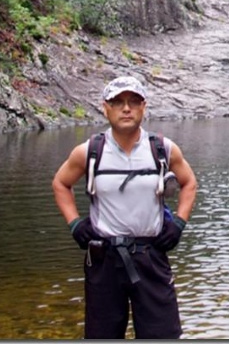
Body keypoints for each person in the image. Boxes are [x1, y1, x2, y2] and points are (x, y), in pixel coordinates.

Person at [53, 75, 198, 339]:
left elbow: (189, 183)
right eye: (118, 102)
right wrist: (75, 224)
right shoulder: (89, 152)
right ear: (105, 107)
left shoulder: (163, 149)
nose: (126, 108)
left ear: (144, 107)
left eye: (134, 101)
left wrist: (178, 224)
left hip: (151, 256)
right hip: (104, 259)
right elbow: (61, 184)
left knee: (162, 336)